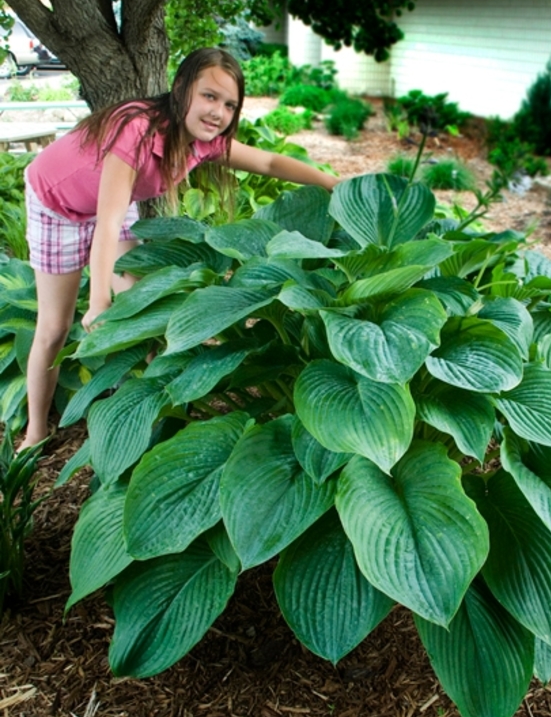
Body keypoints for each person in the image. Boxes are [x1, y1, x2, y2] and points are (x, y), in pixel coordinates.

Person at [19, 47, 339, 451]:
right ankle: (34, 434)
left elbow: (271, 163)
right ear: (181, 89)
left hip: (110, 204)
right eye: (209, 96)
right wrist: (98, 299)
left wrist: (330, 182)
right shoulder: (136, 130)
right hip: (57, 204)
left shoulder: (204, 142)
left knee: (144, 308)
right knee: (54, 327)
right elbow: (109, 221)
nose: (218, 112)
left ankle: (161, 405)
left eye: (229, 104)